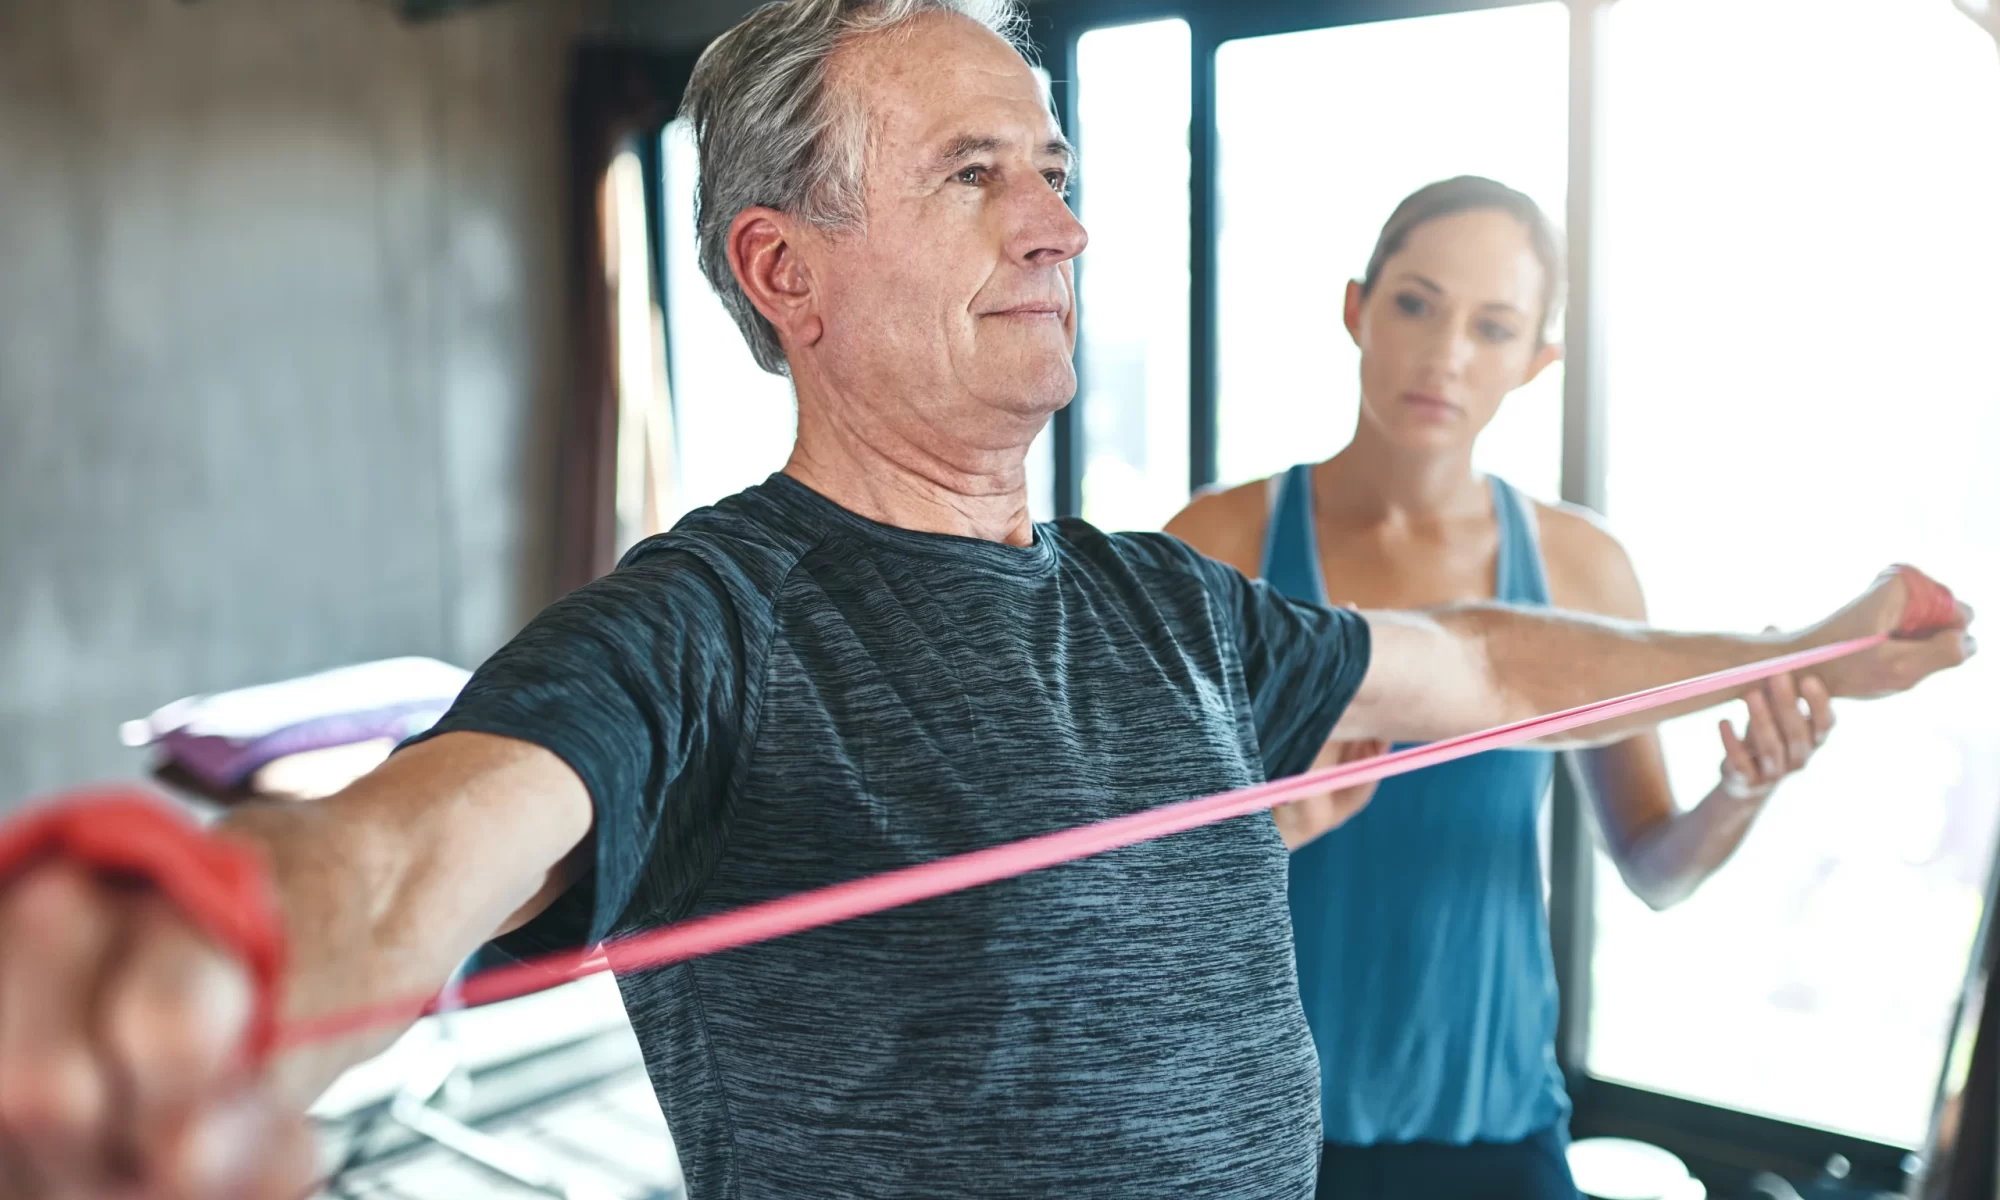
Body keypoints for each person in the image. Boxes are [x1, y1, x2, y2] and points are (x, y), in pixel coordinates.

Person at [0, 6, 1973, 1199]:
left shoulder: (1163, 607)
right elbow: (420, 842)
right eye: (971, 175)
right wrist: (220, 955)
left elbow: (1482, 659)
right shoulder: (696, 628)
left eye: (1052, 164)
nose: (1061, 218)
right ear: (787, 268)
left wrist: (1804, 643)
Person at [1166, 176, 1869, 1199]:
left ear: (1534, 363)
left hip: (1497, 1141)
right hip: (1255, 1136)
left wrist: (1743, 788)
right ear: (1355, 307)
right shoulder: (1212, 546)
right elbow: (1131, 869)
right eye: (1413, 304)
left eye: (1491, 327)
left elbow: (1654, 869)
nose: (1444, 354)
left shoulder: (1581, 570)